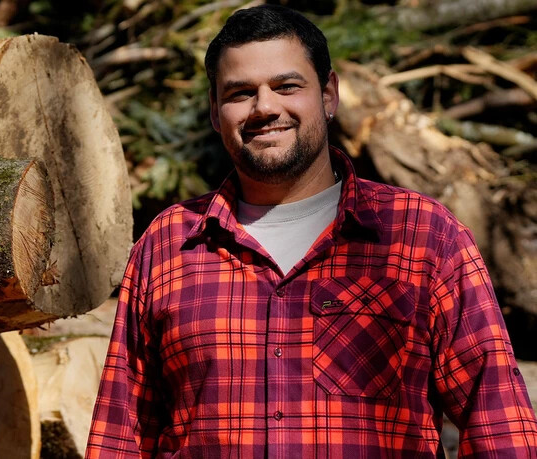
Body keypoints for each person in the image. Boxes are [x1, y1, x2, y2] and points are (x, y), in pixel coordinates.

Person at [86, 4, 537, 457]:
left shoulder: (423, 235)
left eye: (286, 86)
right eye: (241, 93)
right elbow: (121, 438)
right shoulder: (168, 245)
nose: (265, 107)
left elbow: (499, 425)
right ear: (214, 112)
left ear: (328, 95)